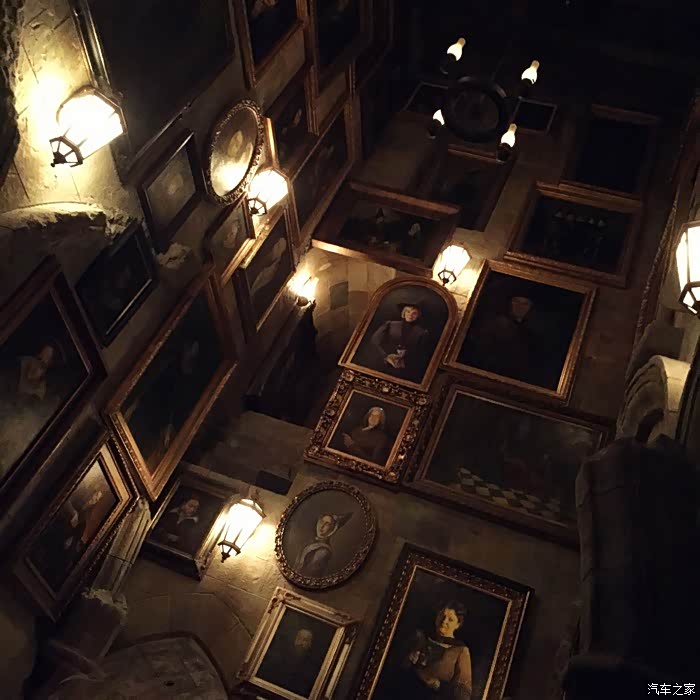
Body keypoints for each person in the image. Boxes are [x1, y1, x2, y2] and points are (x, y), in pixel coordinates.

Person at [380, 601, 473, 699]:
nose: (444, 621)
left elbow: (463, 693)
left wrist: (437, 684)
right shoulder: (419, 637)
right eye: (442, 615)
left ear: (457, 625)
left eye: (450, 619)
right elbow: (390, 667)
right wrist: (407, 660)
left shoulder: (460, 650)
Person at [460, 295, 544, 386]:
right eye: (516, 301)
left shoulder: (531, 335)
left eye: (525, 304)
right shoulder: (494, 324)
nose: (520, 306)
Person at [370, 302, 430, 382]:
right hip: (384, 365)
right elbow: (374, 340)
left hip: (406, 370)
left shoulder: (422, 332)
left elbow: (422, 354)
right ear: (404, 313)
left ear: (418, 316)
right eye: (408, 311)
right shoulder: (391, 324)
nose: (410, 315)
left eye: (414, 313)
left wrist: (405, 360)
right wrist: (386, 356)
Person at [294, 511, 353, 578]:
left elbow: (308, 574)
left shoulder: (323, 551)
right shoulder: (310, 543)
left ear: (332, 529)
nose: (322, 526)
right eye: (321, 522)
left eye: (327, 524)